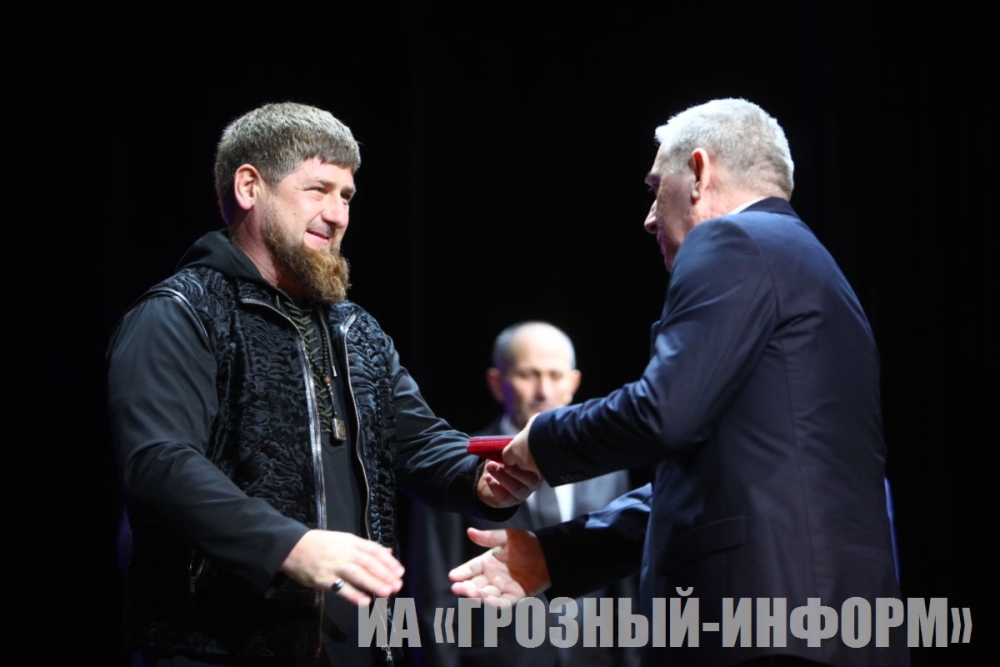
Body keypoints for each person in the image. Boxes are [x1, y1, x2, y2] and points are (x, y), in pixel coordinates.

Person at [449, 98, 910, 667]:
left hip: (758, 629)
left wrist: (543, 440)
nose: (648, 218)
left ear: (698, 171)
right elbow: (723, 481)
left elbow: (662, 412)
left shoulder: (732, 240)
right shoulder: (817, 271)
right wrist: (554, 557)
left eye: (654, 187)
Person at [106, 101, 540, 667]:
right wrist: (288, 545)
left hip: (358, 646)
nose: (337, 215)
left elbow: (420, 442)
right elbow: (159, 464)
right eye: (318, 190)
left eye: (347, 196)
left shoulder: (356, 329)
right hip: (215, 646)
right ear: (249, 187)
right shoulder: (181, 313)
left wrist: (481, 478)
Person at [400, 321, 643, 667]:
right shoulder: (458, 468)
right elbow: (431, 589)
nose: (544, 391)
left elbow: (623, 585)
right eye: (529, 375)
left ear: (573, 383)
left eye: (555, 375)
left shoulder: (607, 469)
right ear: (497, 383)